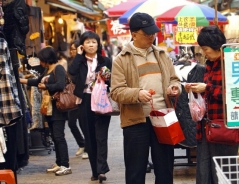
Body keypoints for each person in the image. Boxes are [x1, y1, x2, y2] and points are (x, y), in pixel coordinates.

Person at [110, 12, 181, 184]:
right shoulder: (121, 59)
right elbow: (116, 91)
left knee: (165, 169)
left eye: (153, 33)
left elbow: (175, 79)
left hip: (163, 118)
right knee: (136, 171)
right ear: (134, 34)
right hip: (136, 122)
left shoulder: (162, 55)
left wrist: (174, 88)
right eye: (146, 34)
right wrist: (137, 94)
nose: (151, 37)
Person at [184, 25, 238, 184]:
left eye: (206, 49)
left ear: (216, 46)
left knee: (223, 171)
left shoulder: (231, 63)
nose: (204, 53)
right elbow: (210, 89)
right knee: (204, 171)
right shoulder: (209, 63)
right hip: (206, 127)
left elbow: (234, 94)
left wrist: (206, 88)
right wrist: (196, 89)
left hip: (224, 128)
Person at [20, 46, 72, 176]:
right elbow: (36, 81)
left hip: (58, 108)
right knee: (54, 136)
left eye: (41, 59)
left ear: (47, 59)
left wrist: (46, 86)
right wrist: (20, 80)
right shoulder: (47, 70)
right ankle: (59, 162)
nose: (40, 61)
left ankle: (65, 165)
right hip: (48, 108)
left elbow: (61, 85)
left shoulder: (58, 68)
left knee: (59, 137)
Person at [68, 31, 112, 182]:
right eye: (87, 42)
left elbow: (112, 80)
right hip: (85, 100)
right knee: (89, 137)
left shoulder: (106, 60)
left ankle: (101, 170)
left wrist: (106, 78)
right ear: (82, 45)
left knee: (101, 136)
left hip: (101, 99)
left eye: (94, 42)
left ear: (98, 44)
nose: (91, 45)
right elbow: (71, 72)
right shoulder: (79, 61)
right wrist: (79, 56)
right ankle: (95, 170)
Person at [67, 40, 88, 159]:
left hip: (81, 95)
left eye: (73, 49)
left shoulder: (83, 61)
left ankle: (88, 148)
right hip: (72, 96)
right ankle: (82, 143)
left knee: (83, 123)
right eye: (70, 49)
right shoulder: (71, 62)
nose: (71, 52)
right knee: (71, 123)